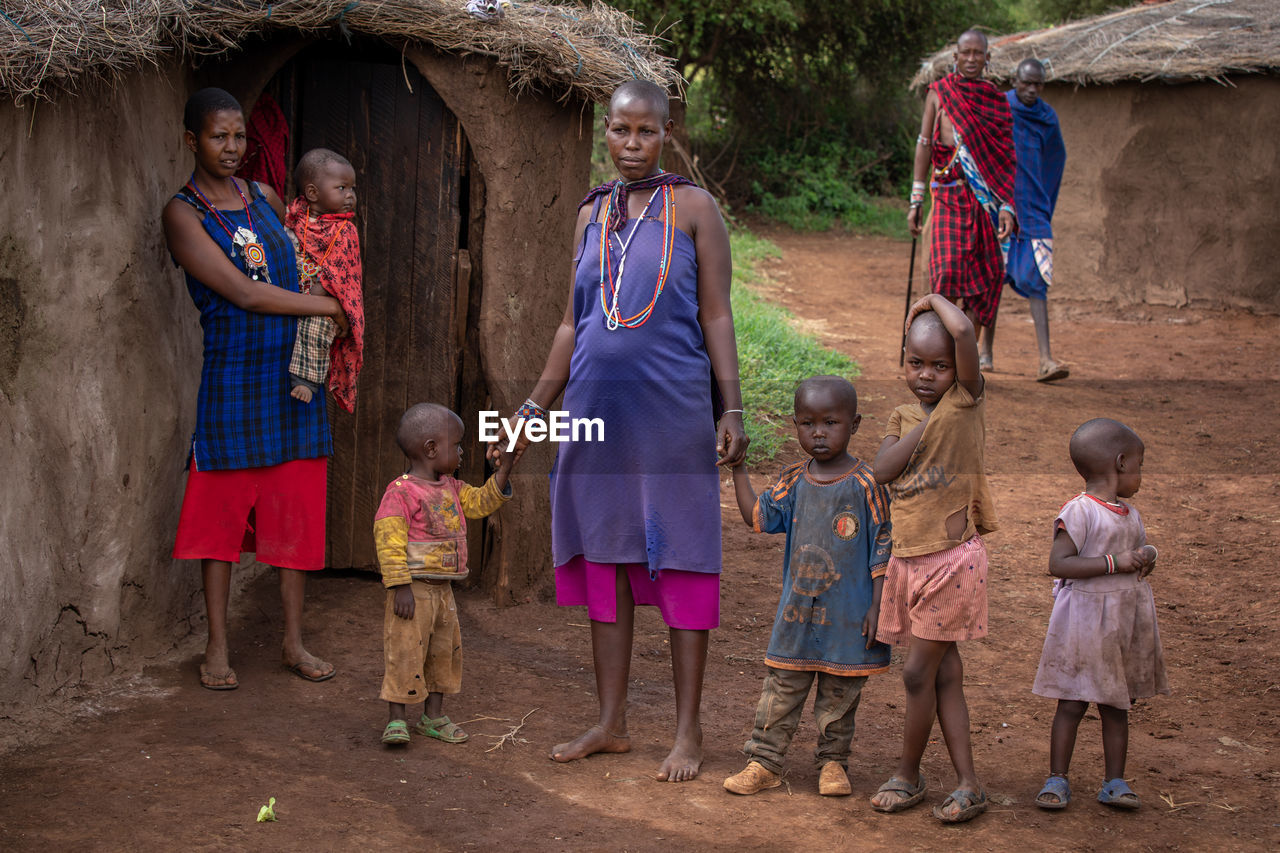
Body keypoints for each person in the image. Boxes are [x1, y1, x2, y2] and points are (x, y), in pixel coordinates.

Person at [494, 79, 747, 782]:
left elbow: (717, 315)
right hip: (595, 416)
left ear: (667, 134)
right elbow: (573, 323)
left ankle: (688, 729)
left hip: (671, 414)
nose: (630, 145)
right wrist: (531, 411)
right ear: (603, 132)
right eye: (619, 131)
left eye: (645, 132)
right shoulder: (590, 215)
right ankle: (610, 721)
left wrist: (731, 407)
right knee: (605, 558)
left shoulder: (694, 209)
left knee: (684, 555)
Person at [164, 88, 349, 690]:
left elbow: (307, 256)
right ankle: (216, 647)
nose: (232, 147)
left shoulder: (266, 197)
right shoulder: (183, 213)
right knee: (218, 518)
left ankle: (294, 643)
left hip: (293, 382)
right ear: (192, 141)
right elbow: (242, 293)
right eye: (219, 137)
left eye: (240, 136)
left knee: (294, 510)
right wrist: (324, 307)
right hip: (232, 379)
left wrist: (335, 294)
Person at [722, 376, 891, 798]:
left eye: (830, 422)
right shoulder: (794, 479)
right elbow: (756, 516)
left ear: (854, 424)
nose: (818, 432)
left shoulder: (867, 483)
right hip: (797, 613)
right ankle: (763, 761)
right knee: (780, 689)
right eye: (807, 423)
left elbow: (884, 547)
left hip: (850, 615)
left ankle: (833, 762)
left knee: (840, 695)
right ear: (794, 424)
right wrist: (739, 468)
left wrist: (879, 605)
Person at [870, 293, 998, 823]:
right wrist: (927, 420)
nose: (927, 375)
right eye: (916, 363)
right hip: (908, 560)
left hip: (952, 562)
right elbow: (882, 470)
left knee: (918, 675)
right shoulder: (902, 414)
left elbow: (965, 333)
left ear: (958, 370)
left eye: (940, 366)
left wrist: (930, 300)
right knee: (945, 676)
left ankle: (907, 773)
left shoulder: (968, 398)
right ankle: (970, 782)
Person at [1032, 418, 1167, 810]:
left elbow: (1136, 555)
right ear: (1121, 462)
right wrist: (1116, 562)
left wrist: (1148, 556)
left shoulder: (1130, 514)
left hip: (1121, 623)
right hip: (1084, 623)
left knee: (1115, 704)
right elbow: (1060, 563)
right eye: (1140, 465)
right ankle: (1057, 779)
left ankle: (1115, 781)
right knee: (1072, 702)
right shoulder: (1079, 511)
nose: (1141, 475)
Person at [373, 403, 515, 746]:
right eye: (457, 445)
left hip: (443, 593)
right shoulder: (401, 492)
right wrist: (399, 585)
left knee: (443, 654)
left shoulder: (453, 488)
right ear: (431, 449)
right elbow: (387, 541)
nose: (462, 451)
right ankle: (396, 719)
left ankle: (433, 717)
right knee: (405, 651)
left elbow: (482, 502)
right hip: (413, 592)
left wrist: (505, 469)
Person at [908, 29, 1017, 372]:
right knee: (946, 276)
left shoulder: (997, 101)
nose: (971, 58)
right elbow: (925, 143)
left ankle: (962, 362)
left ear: (988, 58)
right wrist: (916, 198)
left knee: (985, 281)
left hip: (984, 205)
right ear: (955, 58)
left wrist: (1008, 207)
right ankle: (936, 358)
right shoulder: (939, 94)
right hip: (948, 197)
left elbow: (1006, 159)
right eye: (965, 53)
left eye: (978, 53)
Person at [999, 58, 1068, 382]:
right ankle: (984, 352)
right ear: (1015, 80)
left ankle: (1045, 359)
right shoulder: (1000, 107)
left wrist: (1043, 202)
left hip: (1034, 204)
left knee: (1039, 278)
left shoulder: (1046, 117)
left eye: (1037, 84)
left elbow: (1055, 161)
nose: (1031, 89)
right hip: (1000, 204)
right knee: (991, 279)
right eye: (1026, 82)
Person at [285, 148, 365, 410]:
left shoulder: (345, 231)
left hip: (320, 301)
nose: (350, 195)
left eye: (352, 188)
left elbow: (344, 276)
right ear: (312, 193)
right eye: (341, 188)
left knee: (317, 328)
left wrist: (315, 295)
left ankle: (306, 380)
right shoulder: (295, 217)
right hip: (289, 295)